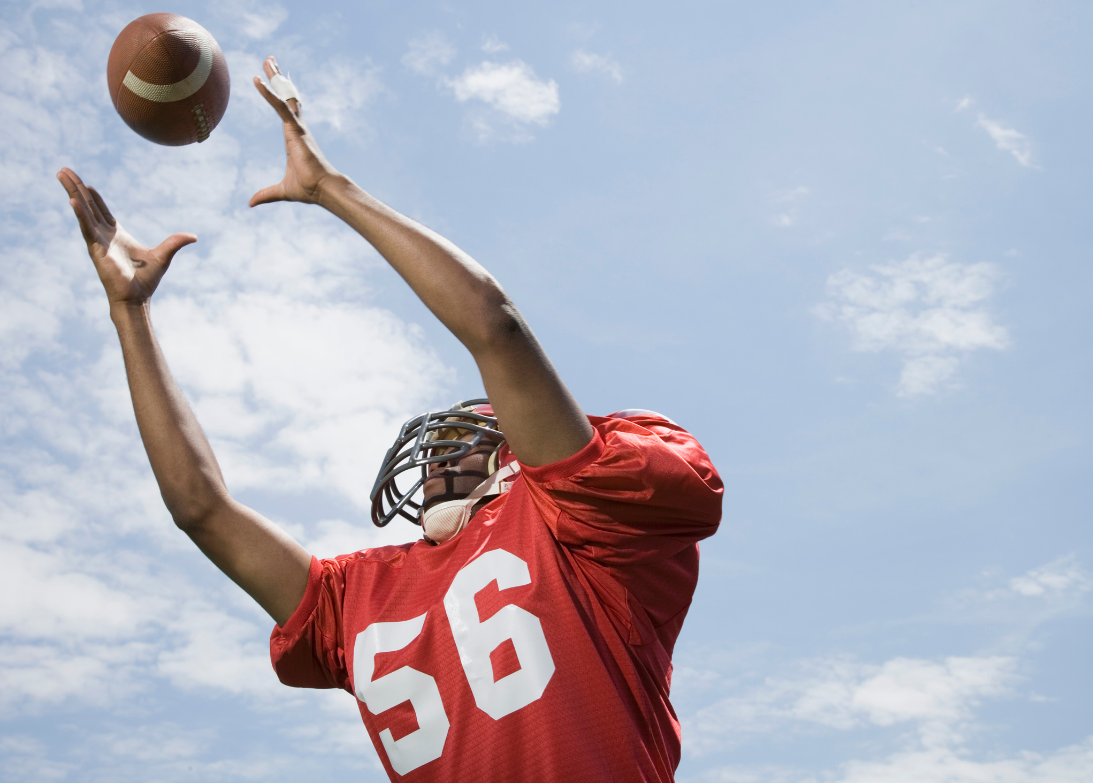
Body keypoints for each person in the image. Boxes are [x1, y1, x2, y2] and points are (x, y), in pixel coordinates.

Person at [58, 56, 723, 783]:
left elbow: (494, 329)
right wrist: (131, 313)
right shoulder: (359, 594)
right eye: (433, 450)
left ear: (512, 451)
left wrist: (330, 190)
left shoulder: (578, 522)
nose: (436, 461)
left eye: (461, 442)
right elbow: (201, 509)